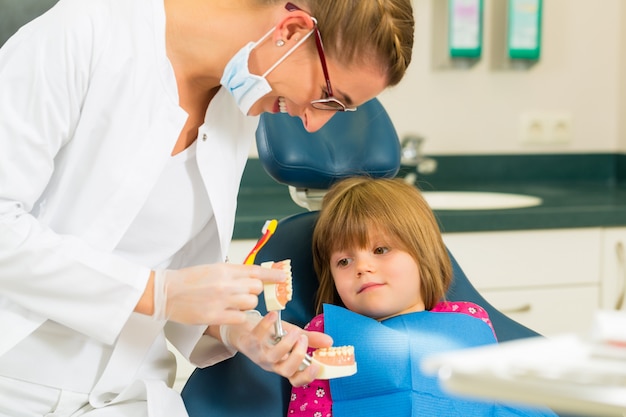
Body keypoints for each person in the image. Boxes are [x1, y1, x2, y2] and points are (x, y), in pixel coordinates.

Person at [0, 0, 415, 415]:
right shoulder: (87, 33)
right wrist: (157, 293)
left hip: (127, 395)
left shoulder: (235, 107)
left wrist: (244, 332)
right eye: (328, 97)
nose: (313, 123)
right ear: (291, 31)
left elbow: (185, 275)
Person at [287, 177, 557, 417]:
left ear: (422, 255)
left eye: (380, 249)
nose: (362, 267)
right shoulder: (324, 337)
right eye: (344, 261)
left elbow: (503, 400)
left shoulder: (468, 320)